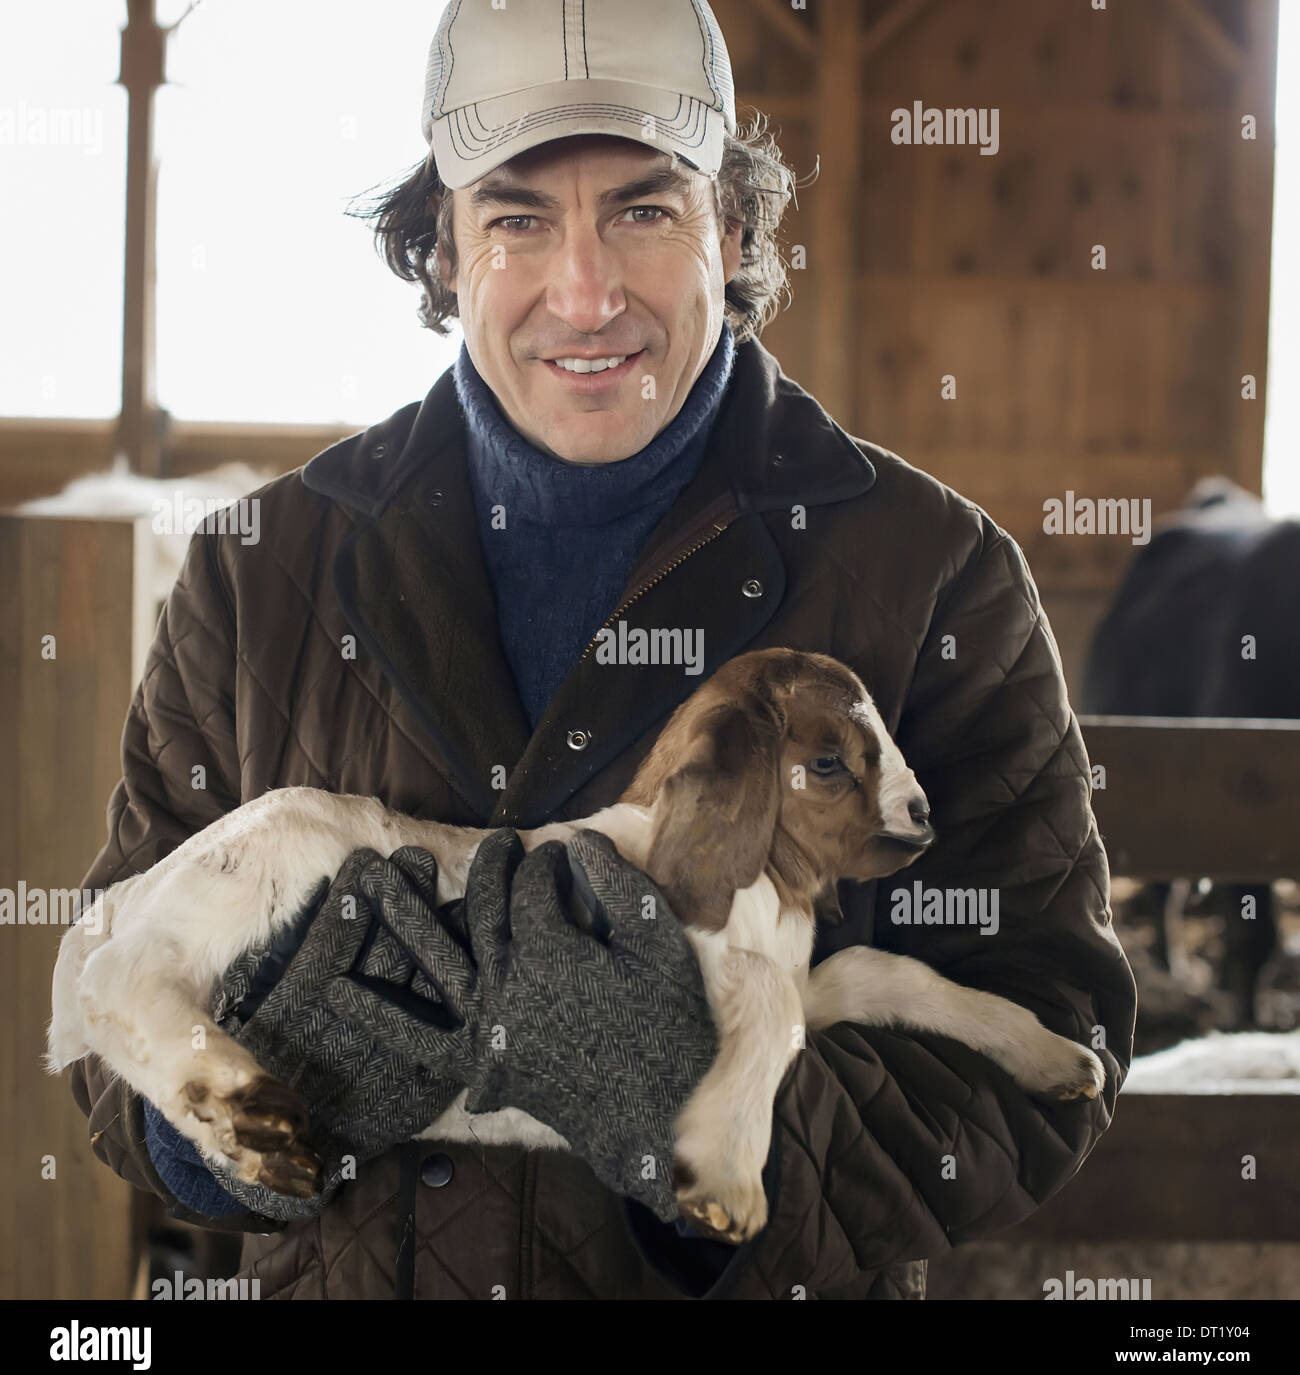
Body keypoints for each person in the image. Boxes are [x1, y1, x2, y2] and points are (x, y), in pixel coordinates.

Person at [69, 0, 1136, 1300]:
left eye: (645, 209)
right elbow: (102, 1033)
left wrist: (708, 1137)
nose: (587, 292)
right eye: (518, 216)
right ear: (444, 247)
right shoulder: (259, 572)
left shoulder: (934, 575)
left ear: (731, 227)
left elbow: (1046, 1051)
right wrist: (244, 1114)